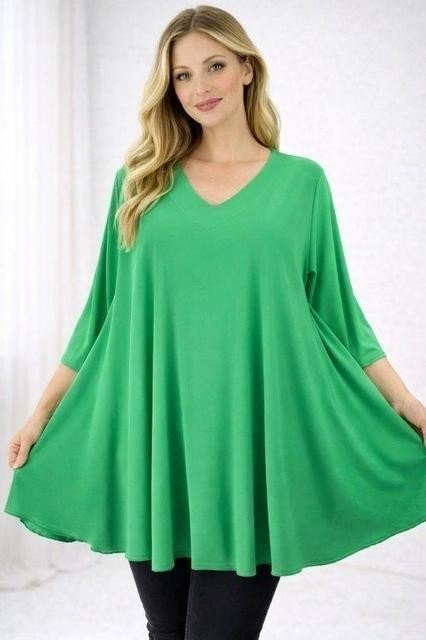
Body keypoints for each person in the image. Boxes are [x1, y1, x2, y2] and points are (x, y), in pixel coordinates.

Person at [5, 5, 426, 639]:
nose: (199, 86)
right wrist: (41, 413)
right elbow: (100, 315)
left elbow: (341, 317)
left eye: (214, 66)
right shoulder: (140, 185)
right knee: (167, 632)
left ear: (247, 69)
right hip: (158, 448)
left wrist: (405, 403)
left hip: (253, 449)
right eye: (182, 75)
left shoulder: (301, 184)